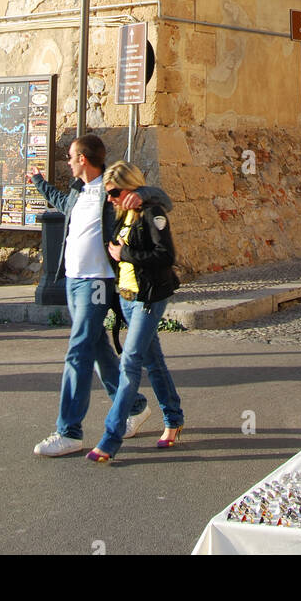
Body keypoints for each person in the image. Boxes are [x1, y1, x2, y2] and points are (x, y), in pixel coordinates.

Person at [28, 135, 172, 457]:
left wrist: (142, 194)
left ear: (84, 159)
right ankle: (134, 407)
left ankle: (69, 431)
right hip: (73, 280)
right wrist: (38, 181)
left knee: (77, 350)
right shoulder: (78, 190)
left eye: (71, 156)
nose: (67, 161)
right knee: (95, 347)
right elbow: (62, 204)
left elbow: (160, 197)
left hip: (98, 281)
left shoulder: (111, 186)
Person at [86, 161, 183, 463]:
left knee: (130, 363)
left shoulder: (151, 213)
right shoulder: (121, 214)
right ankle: (174, 418)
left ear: (131, 187)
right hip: (127, 297)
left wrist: (124, 253)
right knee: (153, 362)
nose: (111, 198)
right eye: (108, 194)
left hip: (148, 299)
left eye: (115, 192)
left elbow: (166, 255)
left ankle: (110, 437)